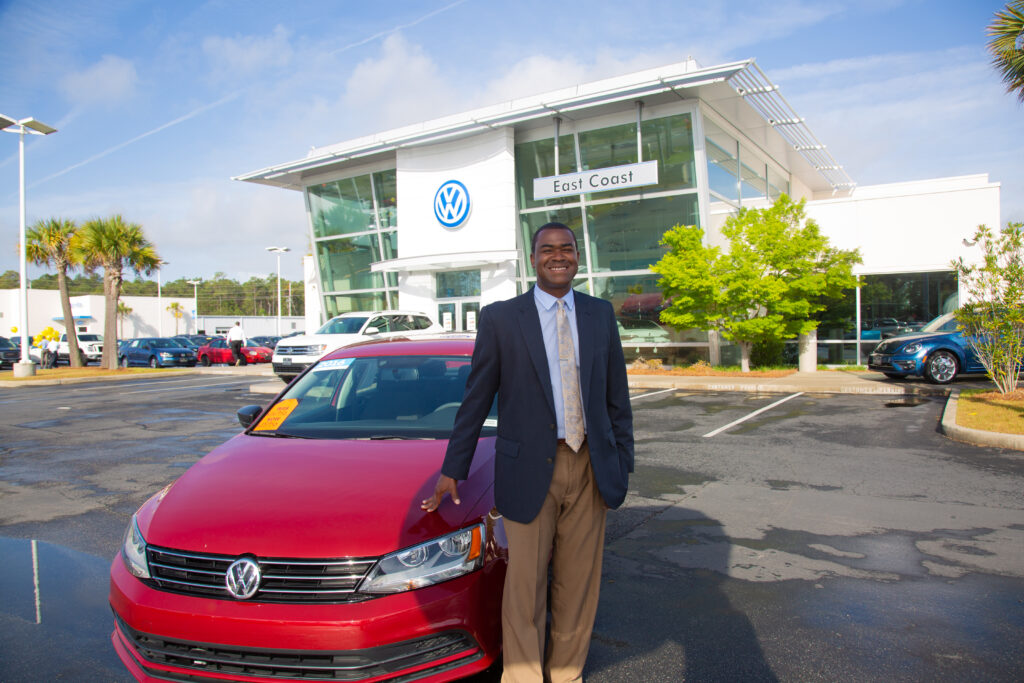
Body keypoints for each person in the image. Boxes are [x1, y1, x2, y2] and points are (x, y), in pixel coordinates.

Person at [422, 222, 634, 683]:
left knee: (577, 586)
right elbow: (477, 397)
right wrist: (452, 468)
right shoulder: (502, 318)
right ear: (532, 258)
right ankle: (523, 676)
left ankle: (566, 674)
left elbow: (617, 397)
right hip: (527, 469)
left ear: (578, 256)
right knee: (525, 587)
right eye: (547, 250)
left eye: (567, 248)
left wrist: (623, 462)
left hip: (590, 466)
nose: (558, 256)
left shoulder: (600, 314)